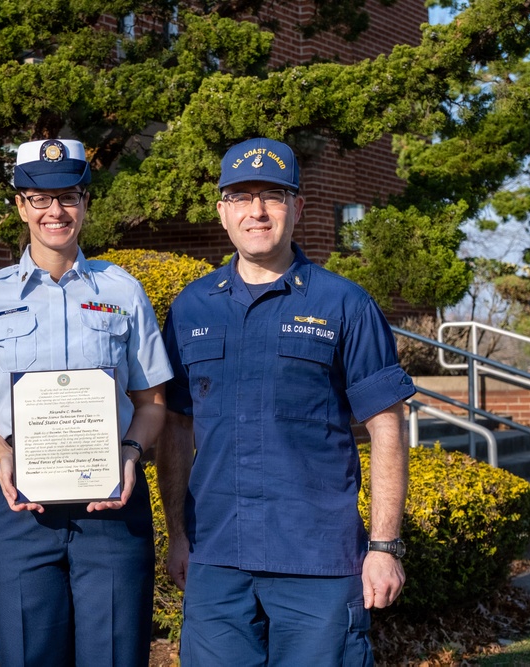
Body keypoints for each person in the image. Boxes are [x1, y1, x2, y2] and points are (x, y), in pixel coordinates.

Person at [158, 137, 416, 665]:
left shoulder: (345, 304)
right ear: (222, 212)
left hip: (317, 560)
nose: (256, 211)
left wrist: (384, 547)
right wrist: (177, 535)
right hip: (216, 558)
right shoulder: (191, 307)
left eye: (272, 196)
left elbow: (387, 426)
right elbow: (176, 427)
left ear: (297, 208)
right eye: (240, 196)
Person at [0, 139, 173, 666]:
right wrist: (4, 457)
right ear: (20, 206)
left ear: (86, 202)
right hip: (19, 511)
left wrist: (130, 454)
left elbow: (152, 402)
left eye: (69, 196)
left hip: (112, 510)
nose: (55, 211)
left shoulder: (122, 291)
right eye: (40, 198)